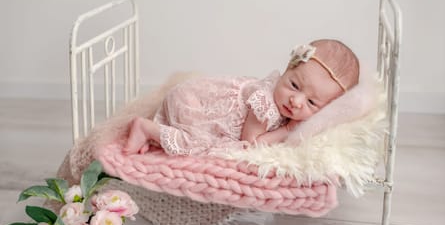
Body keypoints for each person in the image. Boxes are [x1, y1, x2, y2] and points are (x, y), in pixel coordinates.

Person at [123, 39, 359, 156]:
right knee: (199, 144)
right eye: (294, 85)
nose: (296, 101)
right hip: (191, 101)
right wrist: (286, 132)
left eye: (311, 103)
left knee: (200, 136)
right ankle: (144, 129)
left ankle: (158, 136)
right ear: (286, 70)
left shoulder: (285, 100)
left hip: (195, 100)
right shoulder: (264, 102)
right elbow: (252, 144)